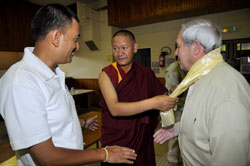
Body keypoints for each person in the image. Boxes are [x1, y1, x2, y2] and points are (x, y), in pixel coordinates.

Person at [0, 4, 137, 166]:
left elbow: (48, 117)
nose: (77, 46)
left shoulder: (54, 74)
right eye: (75, 39)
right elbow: (46, 158)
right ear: (56, 37)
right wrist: (103, 153)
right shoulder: (21, 82)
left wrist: (81, 123)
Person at [154, 19, 250, 165]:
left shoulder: (226, 88)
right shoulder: (201, 77)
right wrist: (177, 129)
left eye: (178, 47)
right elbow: (202, 120)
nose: (176, 53)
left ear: (196, 48)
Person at [98, 29, 177, 166]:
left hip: (142, 138)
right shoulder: (107, 74)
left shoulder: (145, 73)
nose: (120, 53)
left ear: (135, 47)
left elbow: (160, 94)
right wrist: (153, 103)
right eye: (115, 48)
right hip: (118, 140)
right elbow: (115, 109)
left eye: (124, 47)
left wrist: (171, 93)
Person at [164, 61, 187, 165]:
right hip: (178, 108)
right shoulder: (174, 68)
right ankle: (173, 161)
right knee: (174, 136)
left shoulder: (194, 66)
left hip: (188, 107)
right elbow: (170, 91)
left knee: (187, 135)